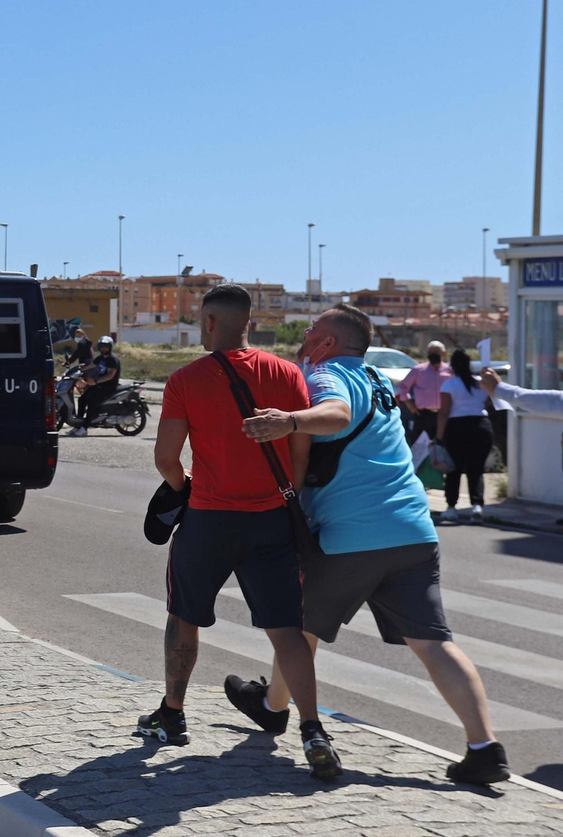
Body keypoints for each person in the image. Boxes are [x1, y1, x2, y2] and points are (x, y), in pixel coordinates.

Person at [234, 305, 508, 784]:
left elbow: (336, 414)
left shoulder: (327, 376)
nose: (304, 334)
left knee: (300, 631)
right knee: (434, 643)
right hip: (413, 531)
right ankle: (485, 748)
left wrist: (290, 422)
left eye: (313, 330)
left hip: (351, 536)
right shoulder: (377, 378)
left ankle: (274, 707)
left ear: (329, 343)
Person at [146, 285, 337, 779]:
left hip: (208, 519)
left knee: (183, 615)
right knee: (286, 631)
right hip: (272, 519)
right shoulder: (288, 372)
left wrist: (184, 485)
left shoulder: (186, 379)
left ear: (209, 322)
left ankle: (172, 714)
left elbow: (166, 459)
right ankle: (314, 730)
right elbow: (299, 454)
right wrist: (281, 498)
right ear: (248, 321)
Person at [436, 349, 492, 524]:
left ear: (452, 367)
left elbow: (444, 412)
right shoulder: (479, 384)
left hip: (457, 427)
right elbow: (486, 402)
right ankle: (477, 506)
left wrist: (439, 436)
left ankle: (452, 508)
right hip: (481, 426)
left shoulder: (449, 385)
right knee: (476, 469)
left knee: (454, 469)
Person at [396, 340, 451, 447]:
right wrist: (409, 403)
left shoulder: (449, 371)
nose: (432, 355)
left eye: (436, 352)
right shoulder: (419, 370)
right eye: (430, 352)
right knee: (420, 446)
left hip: (443, 415)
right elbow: (403, 386)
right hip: (423, 415)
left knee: (442, 446)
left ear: (443, 354)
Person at [71, 336, 121, 436]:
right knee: (82, 399)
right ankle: (78, 426)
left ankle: (84, 428)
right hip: (98, 385)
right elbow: (90, 365)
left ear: (110, 347)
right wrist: (78, 370)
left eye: (106, 347)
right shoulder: (100, 358)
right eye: (102, 346)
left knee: (92, 403)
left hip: (108, 386)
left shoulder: (113, 359)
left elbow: (110, 375)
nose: (103, 349)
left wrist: (96, 381)